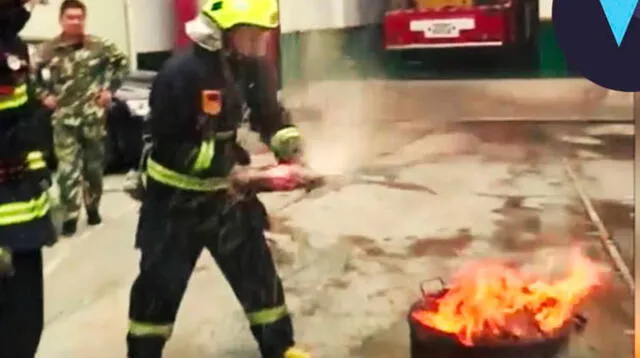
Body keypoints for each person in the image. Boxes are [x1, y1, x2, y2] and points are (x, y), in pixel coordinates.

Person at [125, 0, 319, 357]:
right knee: (159, 289)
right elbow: (169, 147)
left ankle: (281, 349)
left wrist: (290, 149)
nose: (259, 43)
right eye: (251, 34)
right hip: (174, 204)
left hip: (229, 200)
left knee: (259, 280)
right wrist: (242, 174)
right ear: (223, 32)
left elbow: (270, 116)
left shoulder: (254, 68)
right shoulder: (180, 74)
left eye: (263, 35)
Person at [32, 0, 129, 237]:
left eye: (79, 17)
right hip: (64, 118)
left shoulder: (99, 46)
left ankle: (93, 206)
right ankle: (70, 216)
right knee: (67, 169)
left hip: (93, 116)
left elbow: (122, 64)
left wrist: (109, 90)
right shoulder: (48, 49)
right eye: (70, 17)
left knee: (94, 167)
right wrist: (43, 95)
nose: (75, 21)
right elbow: (28, 75)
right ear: (61, 20)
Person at [0, 0, 58, 356]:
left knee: (24, 332)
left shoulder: (10, 39)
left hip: (21, 216)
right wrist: (30, 129)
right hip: (7, 225)